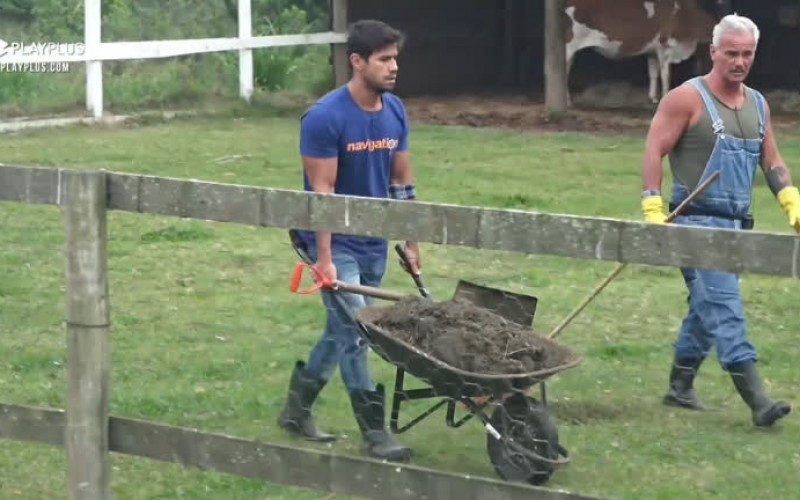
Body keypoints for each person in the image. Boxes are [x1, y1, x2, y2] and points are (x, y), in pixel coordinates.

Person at [640, 13, 797, 427]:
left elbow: (772, 160)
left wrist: (790, 200)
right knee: (725, 308)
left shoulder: (758, 105)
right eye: (731, 53)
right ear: (713, 52)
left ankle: (679, 387)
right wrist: (652, 204)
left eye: (747, 54)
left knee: (705, 307)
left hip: (735, 227)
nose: (739, 61)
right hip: (693, 223)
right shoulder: (685, 99)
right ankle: (759, 402)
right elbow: (654, 148)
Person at [277, 19, 419, 462]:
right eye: (384, 59)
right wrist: (324, 260)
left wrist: (413, 242)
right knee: (360, 331)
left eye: (395, 58)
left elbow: (401, 182)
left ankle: (295, 411)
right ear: (357, 62)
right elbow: (322, 195)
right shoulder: (324, 117)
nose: (393, 67)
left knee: (341, 328)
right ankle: (375, 433)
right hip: (332, 240)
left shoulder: (395, 110)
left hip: (373, 241)